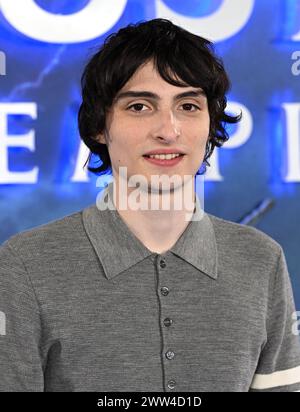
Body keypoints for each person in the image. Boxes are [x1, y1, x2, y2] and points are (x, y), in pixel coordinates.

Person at [0, 18, 300, 392]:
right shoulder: (27, 264)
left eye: (189, 105)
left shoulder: (261, 260)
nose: (168, 130)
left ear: (210, 123)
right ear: (98, 126)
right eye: (140, 106)